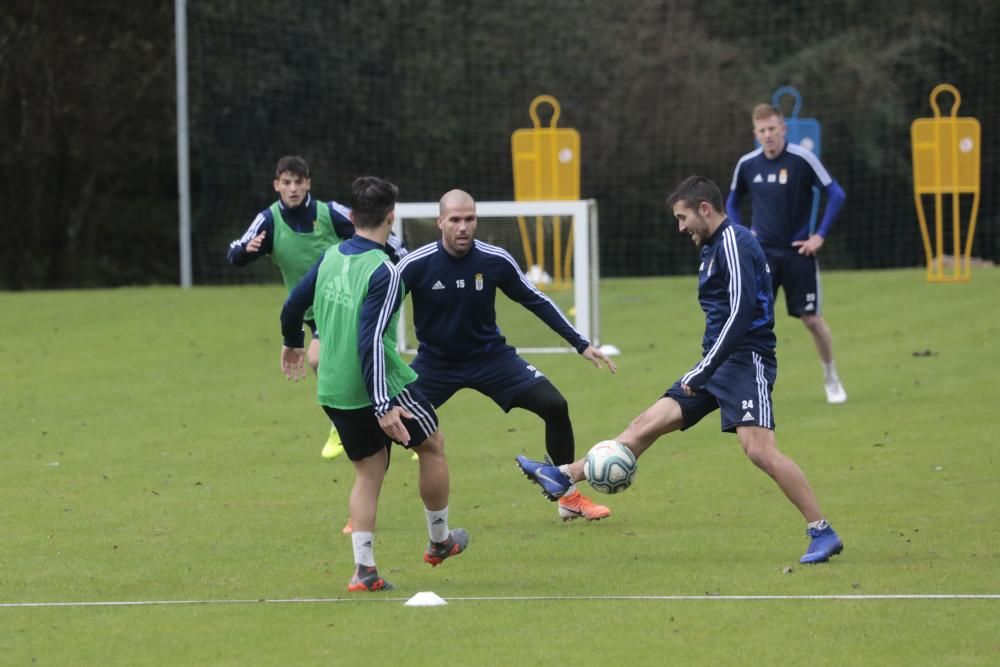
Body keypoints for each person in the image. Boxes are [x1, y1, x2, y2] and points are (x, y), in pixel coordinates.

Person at [516, 176, 843, 564]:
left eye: (683, 217)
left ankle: (822, 530)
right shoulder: (710, 248)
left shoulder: (734, 242)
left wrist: (703, 370)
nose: (681, 227)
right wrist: (706, 368)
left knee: (759, 450)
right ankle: (565, 475)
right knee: (645, 424)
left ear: (705, 209)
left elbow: (742, 314)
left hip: (744, 361)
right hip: (716, 363)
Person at [280, 176, 469, 591]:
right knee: (432, 444)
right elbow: (369, 341)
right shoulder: (384, 269)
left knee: (368, 472)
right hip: (377, 385)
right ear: (391, 217)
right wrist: (383, 403)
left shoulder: (331, 256)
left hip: (332, 387)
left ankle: (364, 570)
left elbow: (294, 303)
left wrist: (292, 341)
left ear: (350, 217)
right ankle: (439, 541)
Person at [396, 189, 618, 522]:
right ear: (440, 221)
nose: (463, 227)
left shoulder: (494, 260)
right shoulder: (415, 264)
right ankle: (362, 513)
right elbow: (380, 311)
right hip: (435, 364)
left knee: (555, 405)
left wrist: (580, 343)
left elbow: (536, 300)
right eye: (455, 220)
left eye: (469, 219)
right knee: (385, 422)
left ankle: (567, 496)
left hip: (491, 359)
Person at [228, 155, 407, 460]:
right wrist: (246, 252)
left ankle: (371, 420)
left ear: (308, 183)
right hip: (312, 310)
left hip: (344, 299)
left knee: (333, 357)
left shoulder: (330, 213)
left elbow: (375, 236)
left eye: (299, 181)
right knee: (344, 360)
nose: (294, 188)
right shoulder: (268, 220)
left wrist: (403, 265)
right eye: (287, 182)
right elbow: (234, 253)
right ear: (277, 186)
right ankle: (376, 419)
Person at [727, 104, 848, 404]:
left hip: (798, 253)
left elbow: (836, 194)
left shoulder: (802, 159)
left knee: (812, 319)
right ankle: (748, 386)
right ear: (755, 133)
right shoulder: (747, 164)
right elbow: (731, 202)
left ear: (783, 129)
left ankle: (831, 376)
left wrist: (818, 236)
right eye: (762, 131)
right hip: (761, 255)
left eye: (772, 129)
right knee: (751, 319)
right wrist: (742, 234)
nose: (768, 136)